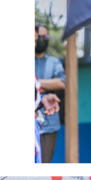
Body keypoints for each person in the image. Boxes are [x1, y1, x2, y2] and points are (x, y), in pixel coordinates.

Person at [35, 24, 66, 163]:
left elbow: (62, 83)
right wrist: (47, 85)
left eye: (45, 37)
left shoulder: (54, 62)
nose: (41, 40)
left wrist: (35, 84)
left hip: (49, 123)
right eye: (38, 37)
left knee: (44, 164)